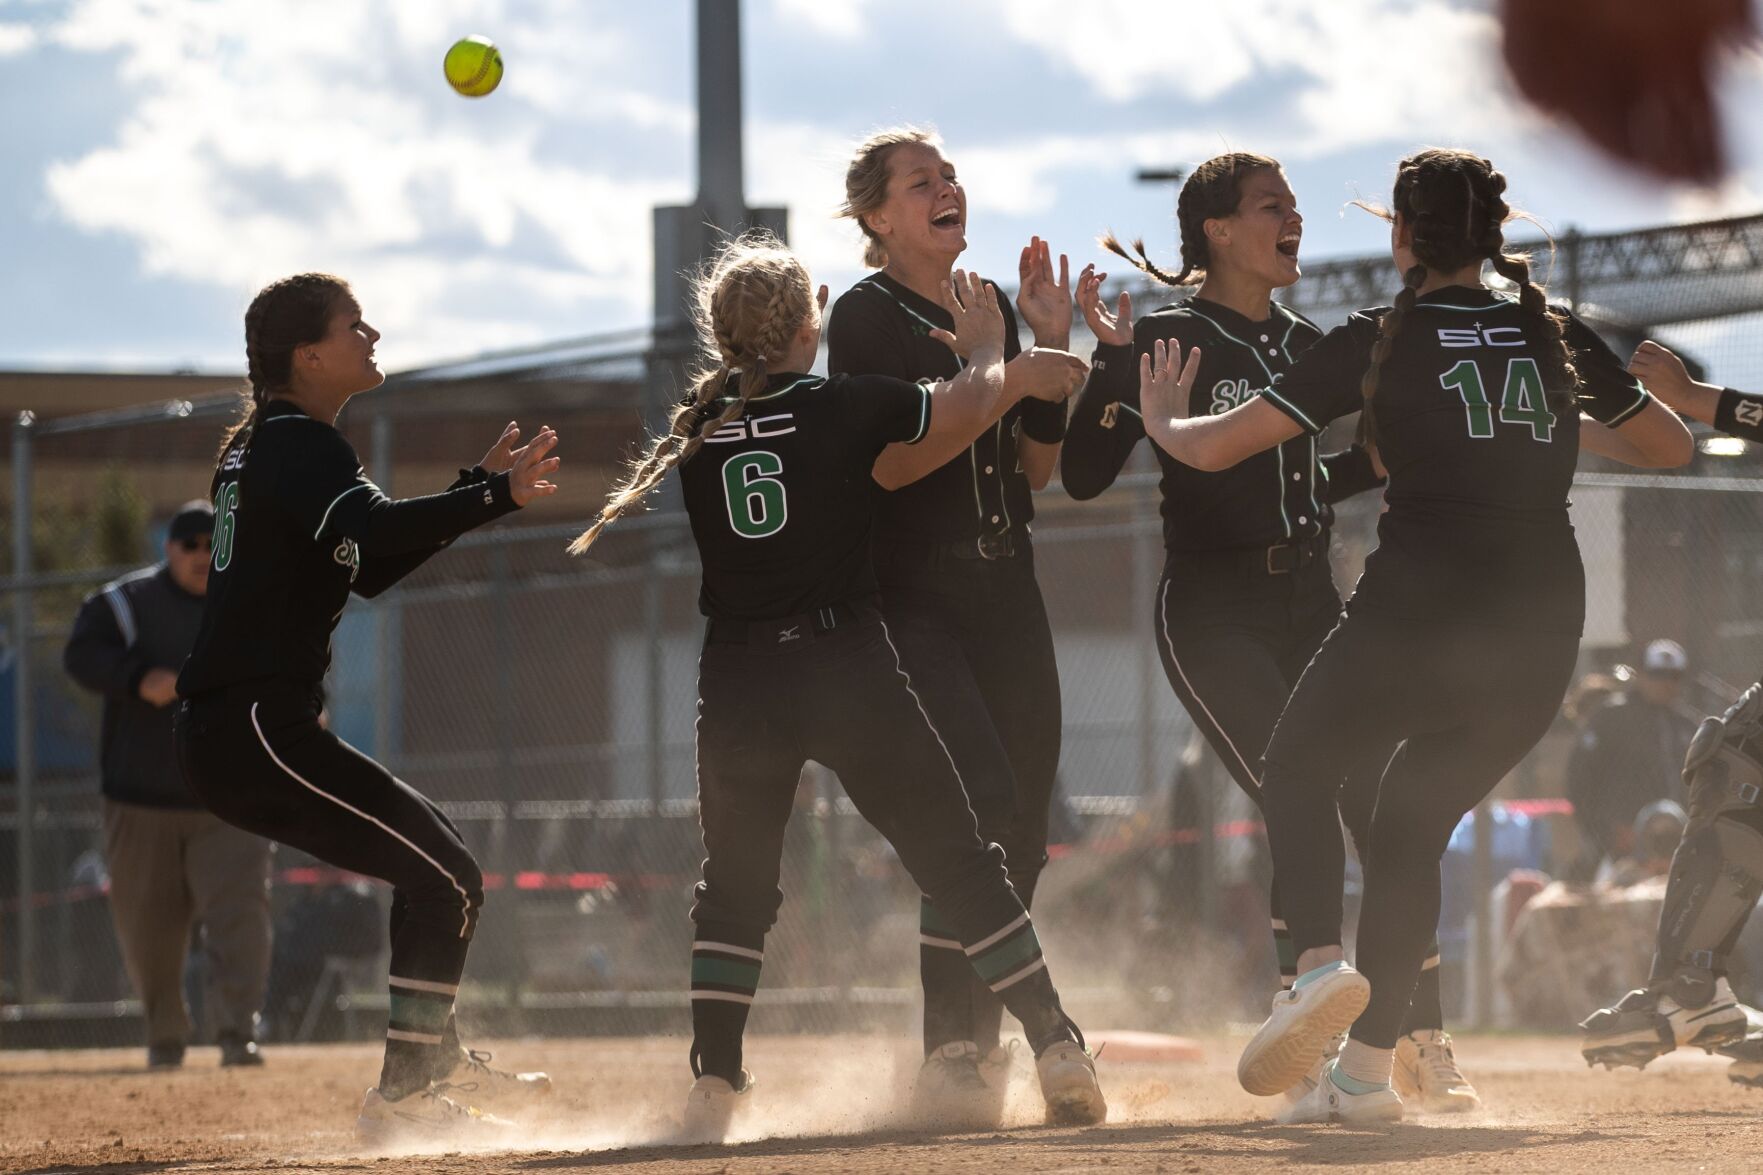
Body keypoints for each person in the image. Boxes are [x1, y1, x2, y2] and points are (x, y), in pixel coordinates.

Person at [1131, 148, 1692, 1123]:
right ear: (1491, 234)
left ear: (1400, 235)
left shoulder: (1379, 335)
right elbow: (1668, 445)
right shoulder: (1547, 331)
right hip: (1535, 641)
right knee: (1404, 827)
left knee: (1297, 763)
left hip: (1415, 620)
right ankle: (1366, 1069)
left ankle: (1312, 966)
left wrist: (1166, 422)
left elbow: (1218, 447)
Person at [570, 235, 1104, 1142]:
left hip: (740, 678)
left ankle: (714, 1085)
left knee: (735, 889)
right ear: (809, 319)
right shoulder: (839, 404)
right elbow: (973, 404)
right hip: (846, 664)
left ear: (721, 336)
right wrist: (995, 353)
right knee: (958, 857)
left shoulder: (697, 432)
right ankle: (1055, 1042)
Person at [1063, 152, 1479, 1116]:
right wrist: (1109, 368)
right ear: (1215, 229)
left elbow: (1307, 485)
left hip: (1311, 605)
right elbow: (1082, 474)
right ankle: (1306, 1019)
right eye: (1270, 206)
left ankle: (1417, 1034)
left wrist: (1392, 456)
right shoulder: (1167, 335)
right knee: (1295, 783)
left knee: (1382, 810)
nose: (1293, 217)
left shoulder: (1306, 341)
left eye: (1292, 204)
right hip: (1213, 611)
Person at [172, 273, 557, 1142]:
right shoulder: (299, 444)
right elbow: (378, 535)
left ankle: (428, 1061)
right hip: (253, 727)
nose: (373, 332)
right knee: (444, 876)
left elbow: (369, 564)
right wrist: (493, 495)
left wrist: (471, 492)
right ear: (308, 355)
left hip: (247, 728)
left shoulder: (270, 443)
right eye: (355, 325)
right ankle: (408, 1090)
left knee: (444, 870)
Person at [826, 127, 1087, 1126]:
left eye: (948, 176)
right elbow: (890, 464)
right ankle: (951, 1043)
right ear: (877, 217)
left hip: (1005, 593)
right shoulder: (863, 317)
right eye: (917, 182)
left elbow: (1034, 471)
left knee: (1024, 825)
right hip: (916, 598)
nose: (945, 189)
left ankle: (970, 1042)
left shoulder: (983, 308)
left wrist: (1043, 343)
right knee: (973, 809)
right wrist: (993, 374)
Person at [63, 500, 273, 1070]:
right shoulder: (125, 604)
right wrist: (136, 679)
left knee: (239, 916)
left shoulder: (248, 602)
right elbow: (80, 654)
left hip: (228, 800)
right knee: (149, 930)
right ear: (168, 548)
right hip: (140, 799)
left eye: (212, 544)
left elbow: (292, 663)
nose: (203, 555)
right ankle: (165, 1036)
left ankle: (237, 1032)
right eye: (190, 544)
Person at [1566, 640, 1697, 878]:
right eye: (1657, 675)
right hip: (1620, 849)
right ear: (1641, 675)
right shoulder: (1611, 718)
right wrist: (1603, 832)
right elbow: (1579, 779)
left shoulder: (1686, 727)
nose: (1666, 683)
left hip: (1678, 846)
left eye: (1674, 676)